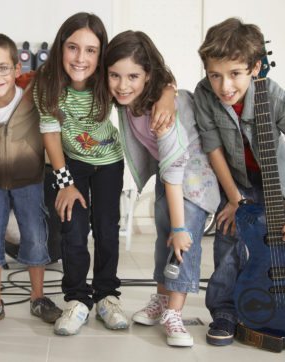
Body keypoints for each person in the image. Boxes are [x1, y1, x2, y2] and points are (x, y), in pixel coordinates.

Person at [34, 13, 176, 336]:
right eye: (73, 48)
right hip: (69, 165)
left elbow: (158, 81)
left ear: (101, 55)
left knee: (106, 229)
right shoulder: (48, 84)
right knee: (72, 230)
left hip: (109, 164)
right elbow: (51, 134)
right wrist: (65, 183)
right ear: (60, 48)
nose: (80, 58)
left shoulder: (107, 81)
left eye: (90, 50)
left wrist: (168, 95)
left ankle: (107, 296)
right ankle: (76, 299)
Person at [194, 17, 285, 346]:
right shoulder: (204, 95)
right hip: (234, 182)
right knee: (229, 241)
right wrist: (235, 200)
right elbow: (213, 149)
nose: (224, 86)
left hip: (273, 185)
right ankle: (223, 310)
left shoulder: (274, 96)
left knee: (276, 247)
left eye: (235, 74)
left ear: (254, 67)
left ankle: (271, 306)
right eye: (215, 75)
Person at [104, 30, 220, 347]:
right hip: (168, 176)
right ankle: (161, 299)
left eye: (132, 76)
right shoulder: (132, 100)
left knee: (182, 242)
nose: (122, 85)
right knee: (164, 237)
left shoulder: (162, 112)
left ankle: (175, 313)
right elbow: (168, 85)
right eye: (115, 75)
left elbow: (175, 166)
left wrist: (182, 225)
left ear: (147, 75)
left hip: (193, 179)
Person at [0, 33, 62, 328]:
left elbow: (56, 68)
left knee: (35, 235)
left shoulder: (32, 90)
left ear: (17, 69)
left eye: (3, 68)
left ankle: (38, 298)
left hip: (30, 179)